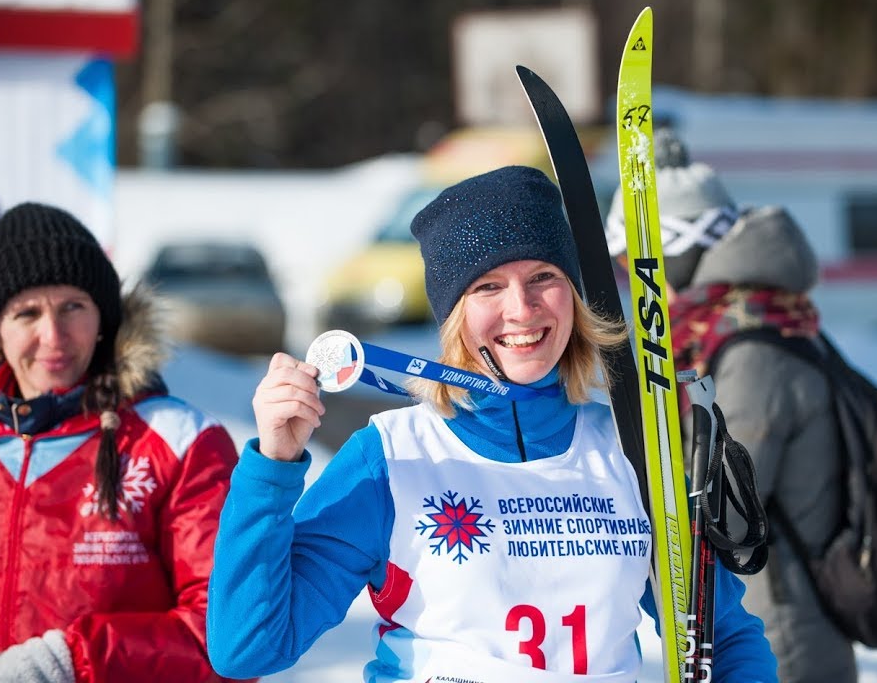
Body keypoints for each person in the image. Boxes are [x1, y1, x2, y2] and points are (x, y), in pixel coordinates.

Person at [206, 165, 778, 682]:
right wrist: (271, 467)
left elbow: (722, 635)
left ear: (574, 298)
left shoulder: (630, 452)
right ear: (455, 315)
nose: (522, 310)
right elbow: (250, 647)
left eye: (543, 277)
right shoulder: (392, 457)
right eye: (487, 287)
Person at [606, 130, 855, 683]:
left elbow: (726, 510)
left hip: (780, 630)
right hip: (762, 614)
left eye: (636, 265)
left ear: (677, 256)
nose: (637, 285)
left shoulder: (751, 351)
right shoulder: (739, 326)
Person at [0, 202, 247, 683]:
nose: (52, 335)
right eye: (26, 313)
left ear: (103, 318)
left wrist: (70, 663)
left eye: (72, 307)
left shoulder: (178, 442)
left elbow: (232, 643)